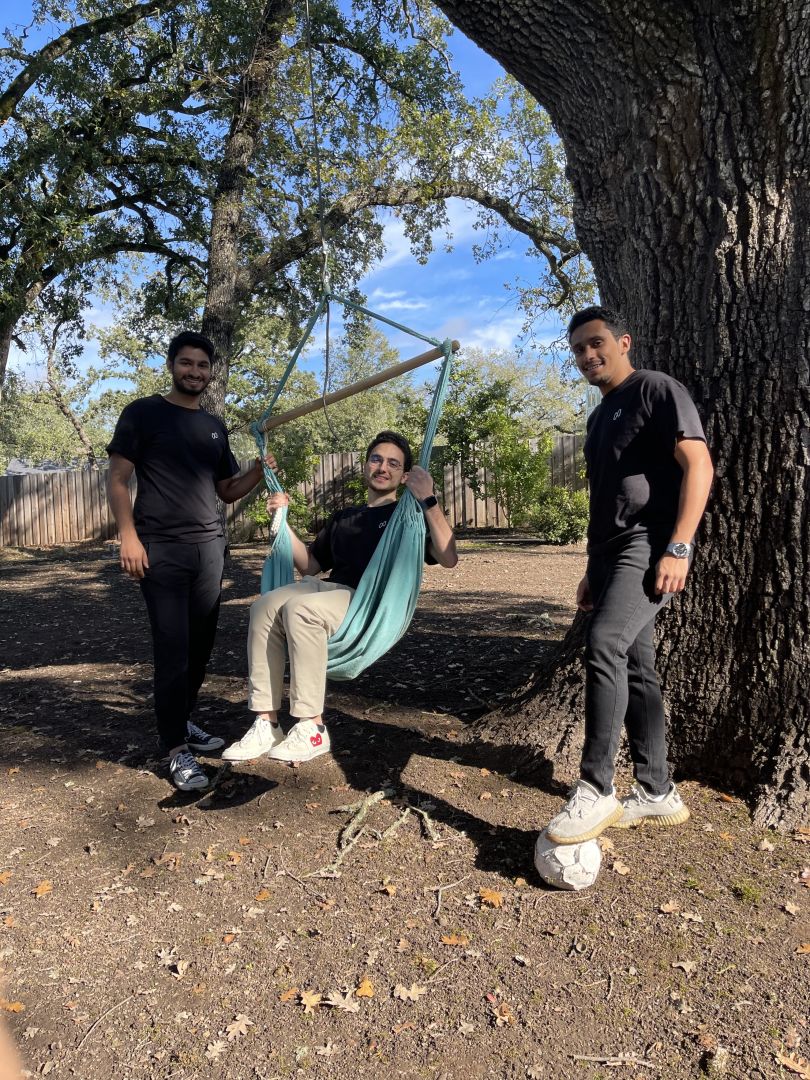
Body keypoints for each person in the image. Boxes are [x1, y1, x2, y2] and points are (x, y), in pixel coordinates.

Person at [545, 306, 714, 844]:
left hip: (649, 545)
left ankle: (596, 789)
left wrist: (679, 546)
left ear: (623, 342)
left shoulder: (655, 390)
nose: (587, 356)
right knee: (637, 665)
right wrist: (592, 569)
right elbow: (605, 501)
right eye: (577, 349)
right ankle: (657, 792)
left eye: (596, 343)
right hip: (611, 554)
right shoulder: (598, 418)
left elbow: (699, 464)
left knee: (604, 645)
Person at [222, 431, 458, 765]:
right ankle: (266, 722)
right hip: (328, 591)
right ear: (366, 465)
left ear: (403, 475)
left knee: (300, 608)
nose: (383, 467)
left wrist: (428, 499)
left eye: (393, 463)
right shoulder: (345, 517)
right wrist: (282, 520)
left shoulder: (409, 518)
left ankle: (311, 727)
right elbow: (311, 565)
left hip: (366, 604)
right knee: (264, 606)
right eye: (376, 459)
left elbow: (448, 557)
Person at [106, 330, 271, 792]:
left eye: (202, 365)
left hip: (209, 551)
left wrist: (257, 471)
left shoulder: (214, 427)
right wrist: (128, 538)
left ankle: (182, 720)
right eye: (186, 363)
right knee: (173, 648)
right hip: (160, 550)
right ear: (172, 365)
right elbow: (118, 479)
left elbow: (227, 490)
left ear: (210, 371)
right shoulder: (143, 413)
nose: (194, 372)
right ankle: (176, 750)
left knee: (200, 649)